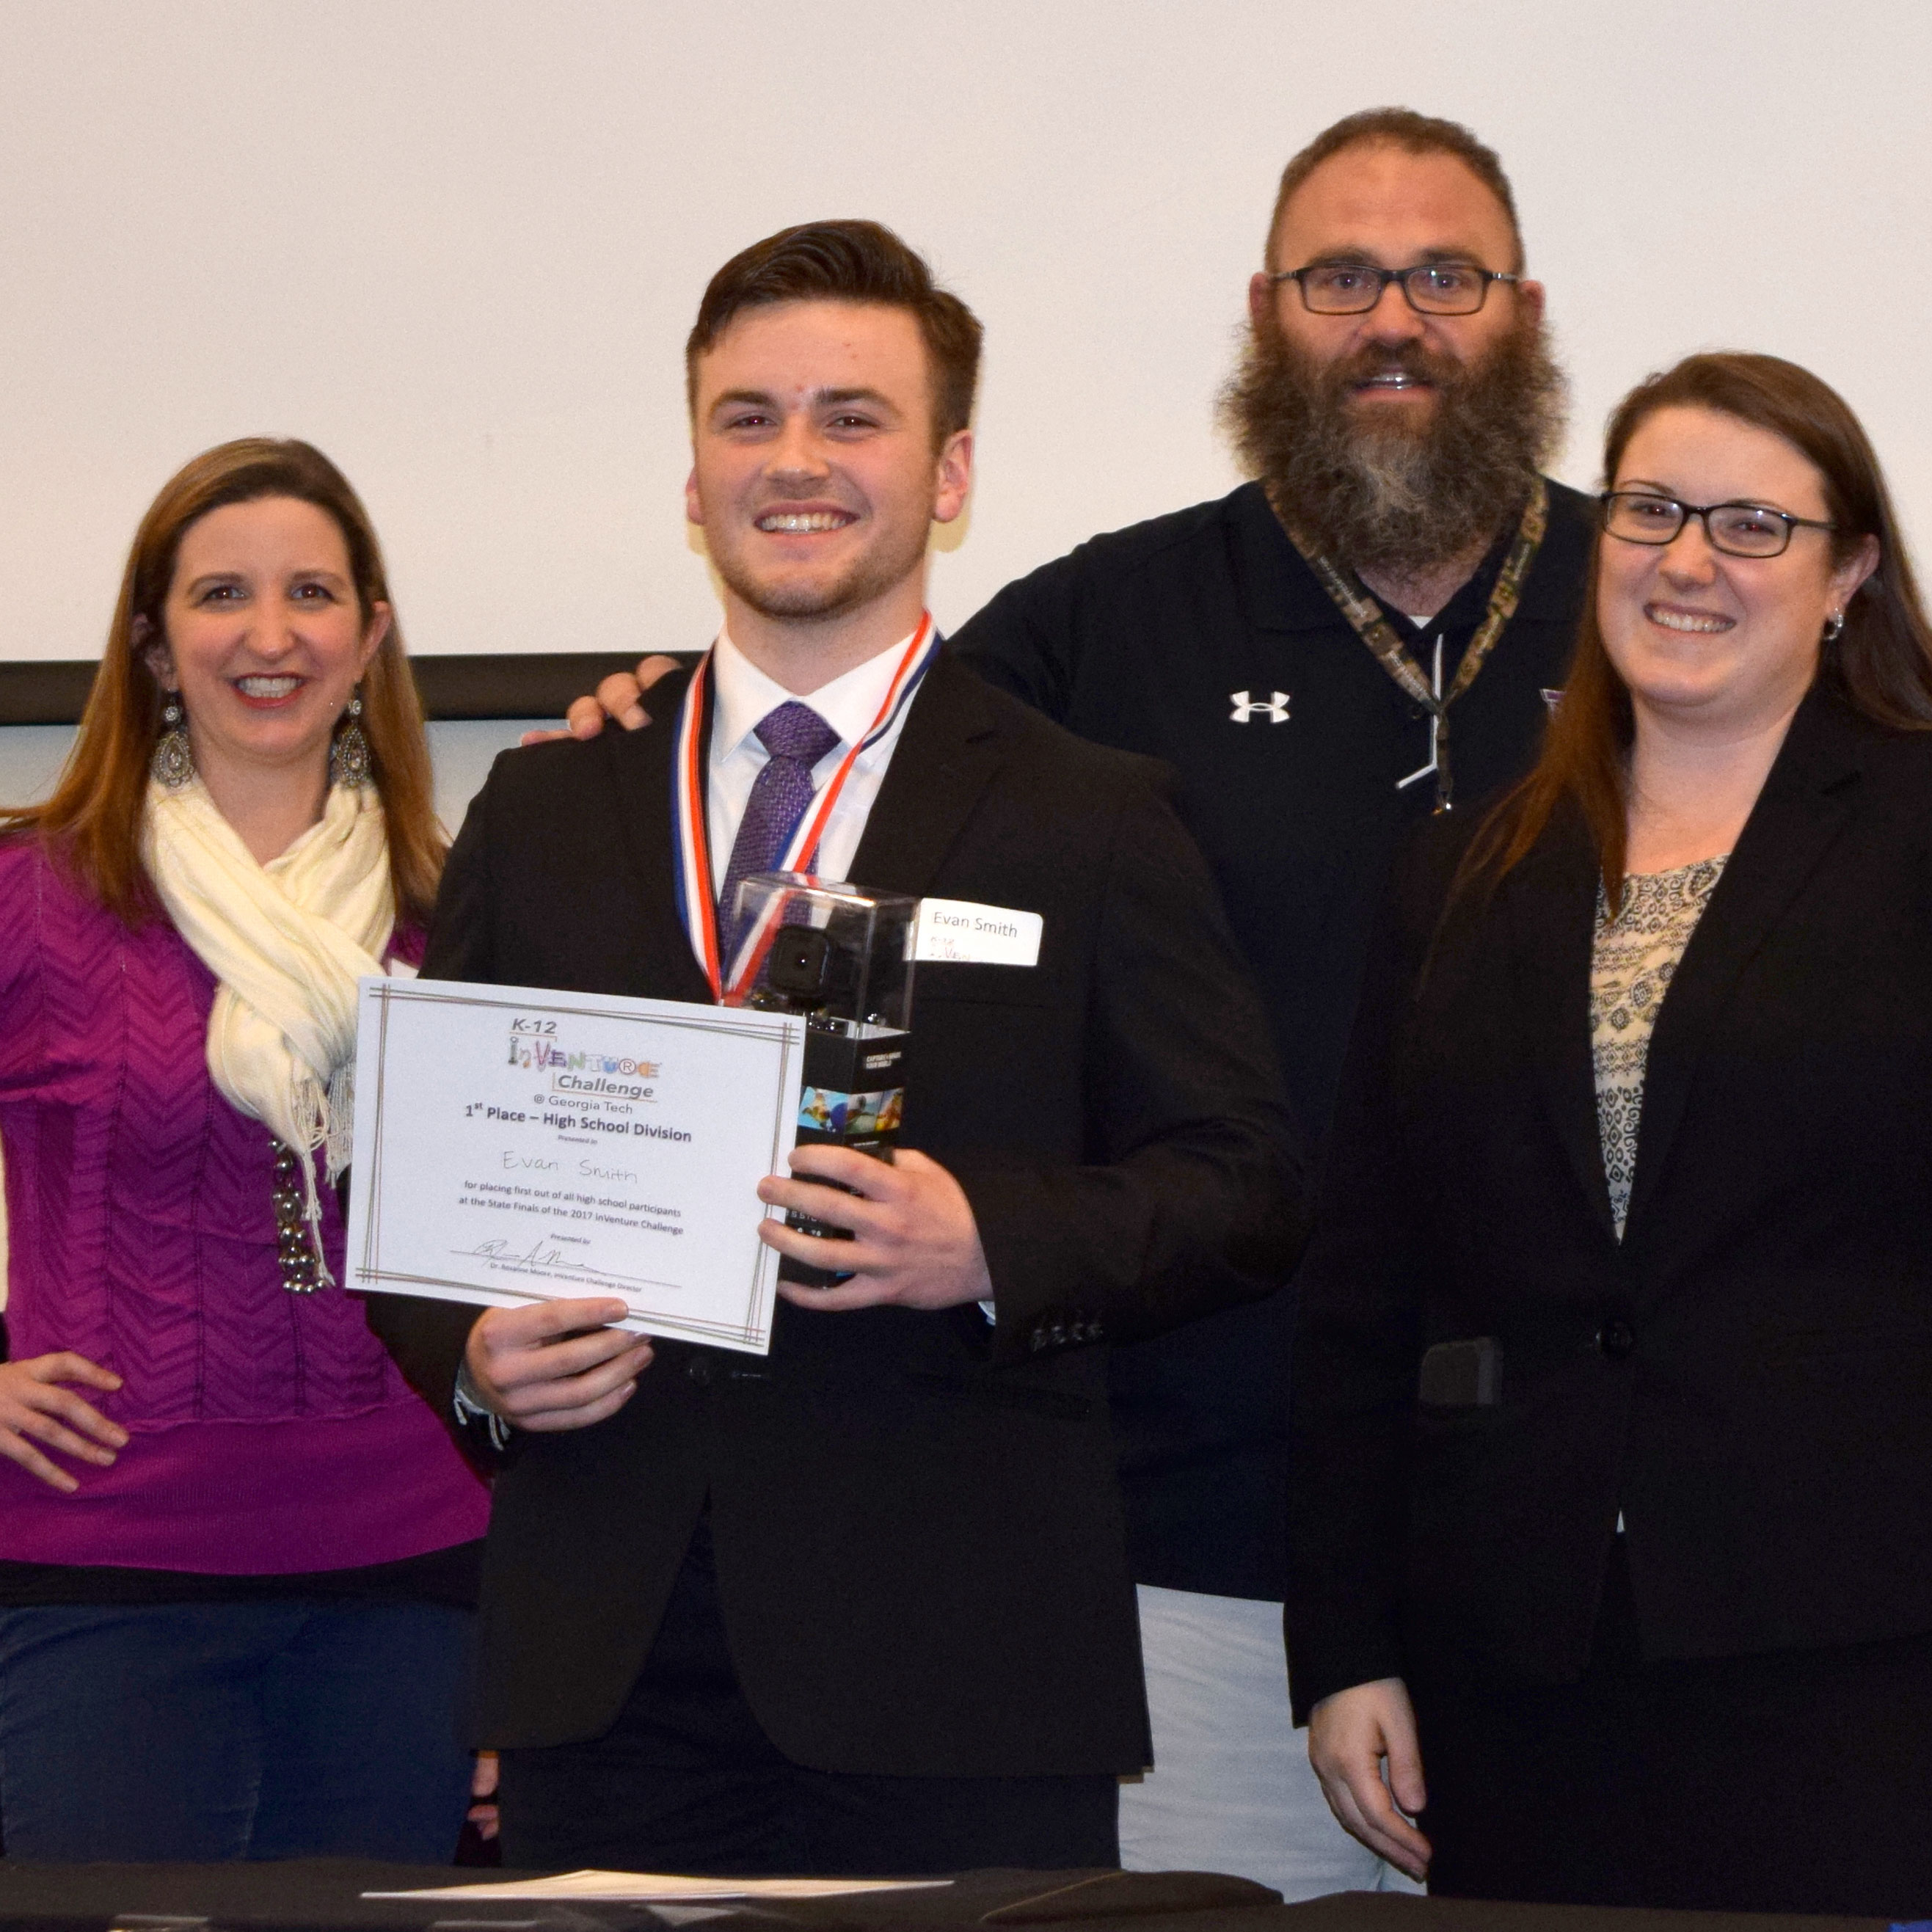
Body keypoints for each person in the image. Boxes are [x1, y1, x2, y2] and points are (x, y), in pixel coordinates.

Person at [556, 109, 1589, 1897]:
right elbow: (834, 758)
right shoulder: (1091, 636)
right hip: (1186, 1564)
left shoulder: (1668, 609)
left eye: (1446, 275)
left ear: (1526, 310)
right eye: (1342, 278)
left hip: (1592, 1555)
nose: (1394, 320)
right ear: (1267, 313)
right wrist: (662, 722)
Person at [368, 219, 1303, 1880]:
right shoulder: (551, 801)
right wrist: (472, 1358)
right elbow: (413, 1173)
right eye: (749, 418)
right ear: (692, 475)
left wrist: (990, 1243)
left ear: (949, 476)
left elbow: (1240, 1186)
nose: (794, 462)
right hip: (608, 1662)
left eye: (851, 418)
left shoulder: (1092, 814)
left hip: (959, 1667)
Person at [1286, 350, 1932, 1917]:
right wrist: (1346, 1647)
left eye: (1753, 526)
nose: (1689, 561)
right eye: (1650, 510)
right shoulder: (1464, 872)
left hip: (1854, 1657)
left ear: (1847, 572)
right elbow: (1367, 1286)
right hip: (1516, 1660)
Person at [0, 439, 491, 1862]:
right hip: (105, 1565)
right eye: (222, 595)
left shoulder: (454, 913)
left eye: (312, 595)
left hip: (413, 1569)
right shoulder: (34, 898)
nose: (269, 635)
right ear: (153, 645)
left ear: (371, 637)